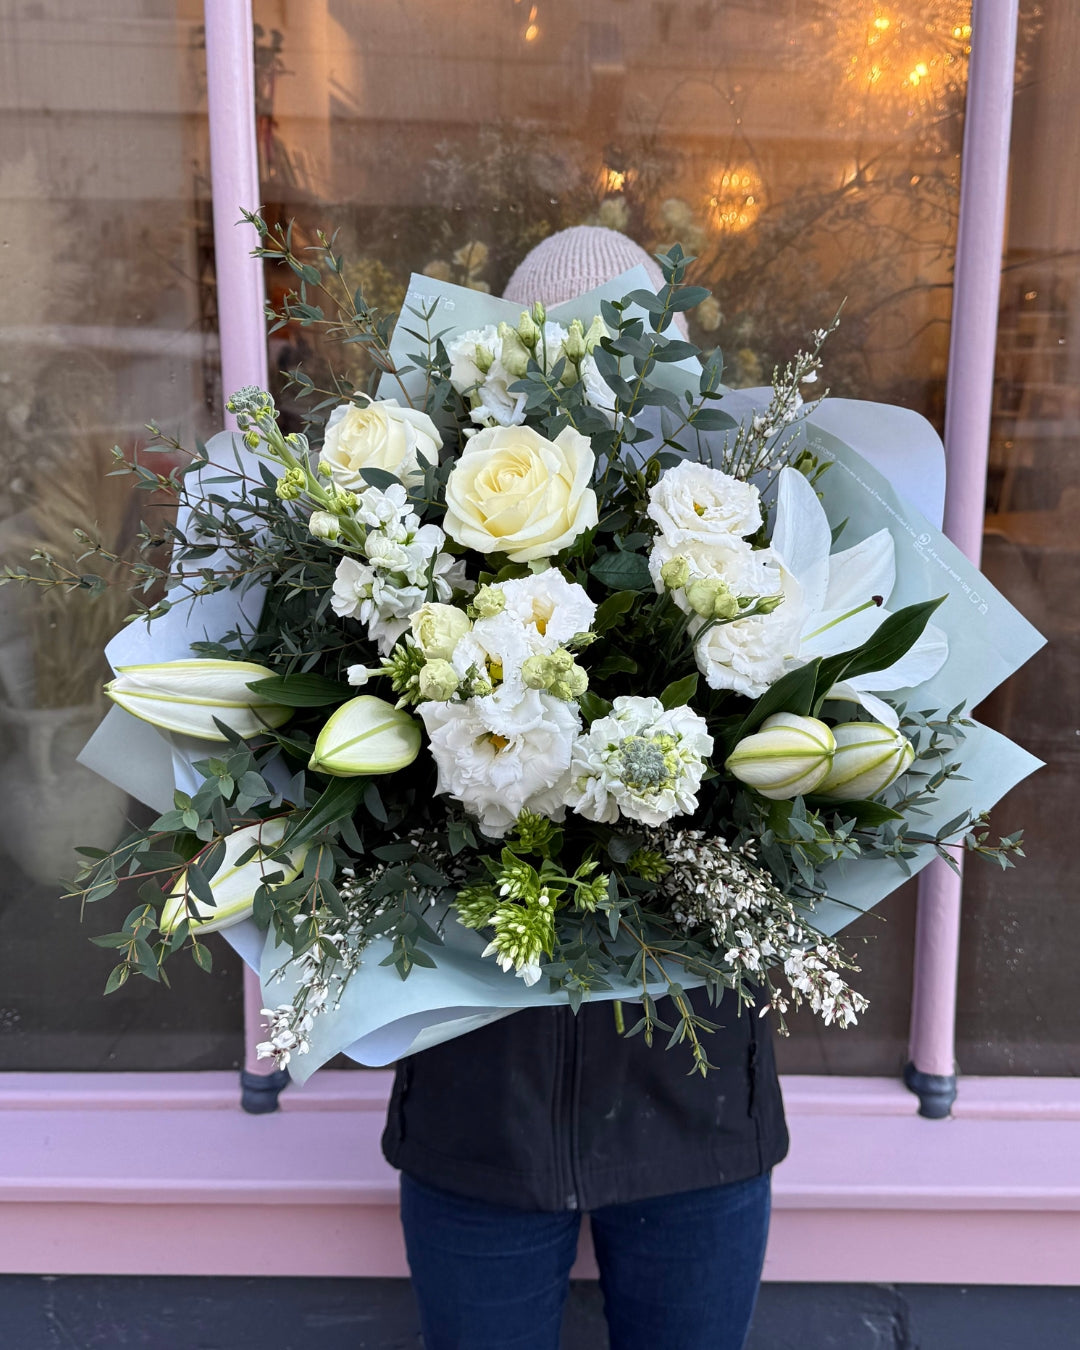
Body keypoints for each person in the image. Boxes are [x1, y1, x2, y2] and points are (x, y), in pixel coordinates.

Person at [381, 226, 789, 1350]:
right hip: (478, 1122)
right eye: (560, 349)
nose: (599, 381)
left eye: (628, 348)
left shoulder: (746, 544)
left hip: (695, 1115)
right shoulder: (423, 556)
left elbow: (811, 798)